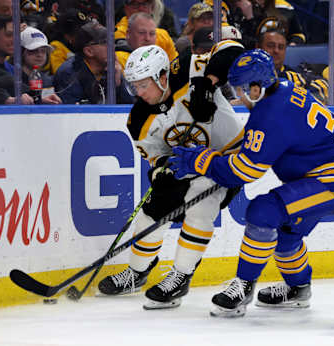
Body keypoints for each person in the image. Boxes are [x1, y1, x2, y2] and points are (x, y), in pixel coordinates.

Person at [168, 49, 334, 317]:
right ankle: (298, 289)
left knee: (264, 211)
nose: (237, 96)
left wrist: (201, 161)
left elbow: (244, 171)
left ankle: (243, 286)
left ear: (255, 87)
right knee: (287, 233)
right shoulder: (281, 89)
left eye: (240, 89)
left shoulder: (269, 114)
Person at [98, 41, 245, 310]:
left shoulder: (189, 70)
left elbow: (233, 47)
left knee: (201, 202)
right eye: (134, 87)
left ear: (162, 76)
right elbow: (156, 157)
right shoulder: (138, 120)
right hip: (190, 166)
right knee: (152, 210)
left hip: (229, 160)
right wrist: (161, 170)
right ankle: (137, 272)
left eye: (143, 85)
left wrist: (207, 84)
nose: (138, 93)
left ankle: (181, 276)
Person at [53, 22, 133, 104]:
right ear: (89, 51)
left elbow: (131, 105)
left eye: (112, 40)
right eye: (105, 42)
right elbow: (74, 113)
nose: (113, 46)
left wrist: (118, 83)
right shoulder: (69, 73)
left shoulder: (112, 67)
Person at [20, 26, 55, 91]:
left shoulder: (47, 81)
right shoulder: (13, 79)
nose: (39, 55)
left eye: (43, 51)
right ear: (21, 52)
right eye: (33, 50)